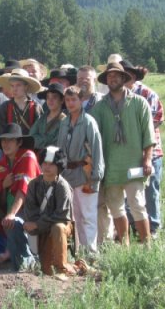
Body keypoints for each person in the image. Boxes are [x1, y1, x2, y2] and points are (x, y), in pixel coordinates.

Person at [92, 62, 155, 244]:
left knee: (138, 206)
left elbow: (148, 135)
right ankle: (125, 247)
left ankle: (147, 247)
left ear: (123, 78)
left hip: (134, 164)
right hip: (111, 167)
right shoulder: (100, 107)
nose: (112, 79)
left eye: (116, 76)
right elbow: (92, 134)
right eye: (109, 76)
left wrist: (148, 159)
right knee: (116, 208)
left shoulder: (139, 103)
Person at [56, 85, 104, 257]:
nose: (70, 103)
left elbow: (97, 149)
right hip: (68, 174)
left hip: (86, 173)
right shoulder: (64, 122)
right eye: (67, 100)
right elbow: (60, 149)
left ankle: (90, 253)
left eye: (74, 99)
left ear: (81, 100)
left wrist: (96, 175)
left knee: (88, 214)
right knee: (74, 215)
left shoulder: (89, 121)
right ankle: (77, 253)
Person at [122, 60, 164, 238]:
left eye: (124, 76)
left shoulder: (148, 94)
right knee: (130, 192)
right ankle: (134, 226)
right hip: (127, 154)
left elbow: (154, 122)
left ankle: (153, 228)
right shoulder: (117, 96)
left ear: (132, 76)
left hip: (151, 152)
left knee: (150, 190)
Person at [0, 124, 40, 270]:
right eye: (3, 140)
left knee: (11, 221)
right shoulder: (1, 163)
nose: (5, 144)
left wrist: (11, 214)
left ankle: (28, 260)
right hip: (11, 209)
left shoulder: (28, 157)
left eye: (10, 140)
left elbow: (23, 189)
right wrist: (4, 187)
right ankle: (21, 258)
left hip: (34, 208)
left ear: (19, 142)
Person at [24, 146, 77, 277]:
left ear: (58, 166)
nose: (47, 167)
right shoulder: (33, 184)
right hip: (42, 227)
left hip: (61, 227)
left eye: (51, 164)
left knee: (58, 227)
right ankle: (78, 267)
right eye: (45, 163)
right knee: (47, 270)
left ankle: (62, 269)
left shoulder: (62, 186)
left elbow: (62, 216)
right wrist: (34, 224)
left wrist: (38, 224)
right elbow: (30, 211)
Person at [0, 69, 43, 135]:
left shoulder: (36, 107)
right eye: (12, 86)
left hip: (30, 144)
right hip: (10, 144)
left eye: (18, 85)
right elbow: (0, 132)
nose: (15, 89)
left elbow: (40, 132)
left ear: (26, 87)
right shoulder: (4, 107)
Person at [29, 83, 67, 155]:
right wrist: (46, 139)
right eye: (48, 97)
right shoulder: (42, 117)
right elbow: (31, 137)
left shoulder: (64, 120)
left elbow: (56, 143)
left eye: (54, 97)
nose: (50, 100)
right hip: (39, 158)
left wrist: (39, 139)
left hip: (55, 159)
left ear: (62, 100)